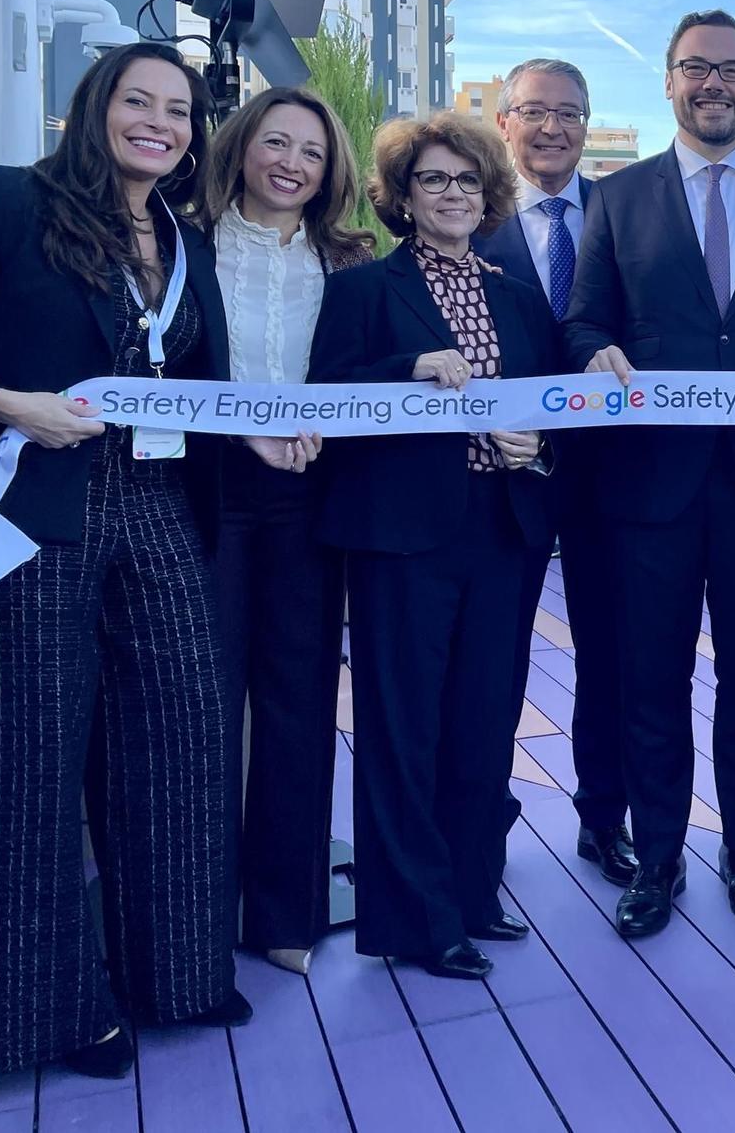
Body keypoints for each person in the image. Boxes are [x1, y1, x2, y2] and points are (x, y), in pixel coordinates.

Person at [0, 43, 246, 1079]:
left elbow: (197, 385)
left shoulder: (183, 238)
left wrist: (266, 430)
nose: (160, 122)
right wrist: (6, 401)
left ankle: (175, 972)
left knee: (185, 741)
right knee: (33, 761)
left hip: (159, 505)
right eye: (138, 101)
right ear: (93, 107)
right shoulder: (6, 200)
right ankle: (54, 1016)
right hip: (33, 504)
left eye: (179, 111)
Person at [566, 9, 735, 939]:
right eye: (695, 69)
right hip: (651, 487)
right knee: (651, 678)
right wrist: (593, 352)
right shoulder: (616, 196)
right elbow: (585, 320)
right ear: (668, 82)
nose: (714, 84)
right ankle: (661, 855)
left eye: (732, 70)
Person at [308, 112, 561, 981]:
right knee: (402, 726)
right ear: (402, 198)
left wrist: (539, 445)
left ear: (488, 193)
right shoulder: (363, 294)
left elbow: (550, 406)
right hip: (402, 539)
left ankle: (472, 892)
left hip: (503, 530)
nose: (452, 194)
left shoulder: (521, 301)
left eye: (466, 180)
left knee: (485, 724)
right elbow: (325, 399)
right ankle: (414, 919)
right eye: (433, 181)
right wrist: (405, 369)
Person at [200, 85, 375, 975]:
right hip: (207, 495)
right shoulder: (188, 246)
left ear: (330, 168)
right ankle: (194, 911)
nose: (291, 164)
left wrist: (328, 424)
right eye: (275, 143)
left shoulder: (348, 261)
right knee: (202, 708)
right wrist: (245, 428)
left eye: (310, 152)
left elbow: (363, 377)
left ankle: (285, 914)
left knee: (299, 704)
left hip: (310, 499)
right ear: (242, 146)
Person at [479, 59, 634, 888]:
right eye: (535, 112)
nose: (553, 129)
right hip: (500, 478)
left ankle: (604, 820)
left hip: (611, 477)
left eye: (570, 114)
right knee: (494, 661)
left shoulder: (623, 213)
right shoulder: (465, 213)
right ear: (504, 121)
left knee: (609, 657)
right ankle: (483, 827)